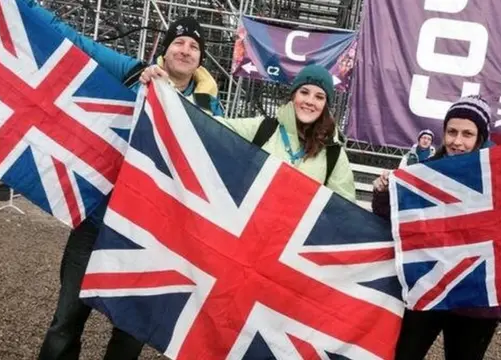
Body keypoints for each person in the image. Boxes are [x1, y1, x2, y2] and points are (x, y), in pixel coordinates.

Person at [23, 2, 223, 359]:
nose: (185, 49)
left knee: (130, 337)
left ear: (200, 59)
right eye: (179, 42)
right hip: (98, 222)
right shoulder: (134, 74)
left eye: (194, 46)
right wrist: (23, 8)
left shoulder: (211, 110)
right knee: (66, 320)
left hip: (150, 238)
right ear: (166, 49)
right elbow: (77, 42)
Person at [372, 95, 501, 360]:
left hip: (476, 299)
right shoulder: (424, 173)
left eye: (467, 134)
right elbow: (392, 220)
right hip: (428, 288)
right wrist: (383, 192)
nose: (458, 141)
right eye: (452, 132)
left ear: (481, 136)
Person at [139, 63, 357, 202]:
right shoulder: (264, 129)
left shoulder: (333, 154)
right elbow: (208, 126)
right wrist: (167, 89)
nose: (310, 101)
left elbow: (346, 217)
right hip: (247, 240)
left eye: (319, 97)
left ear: (326, 105)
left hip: (291, 256)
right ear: (293, 96)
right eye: (305, 92)